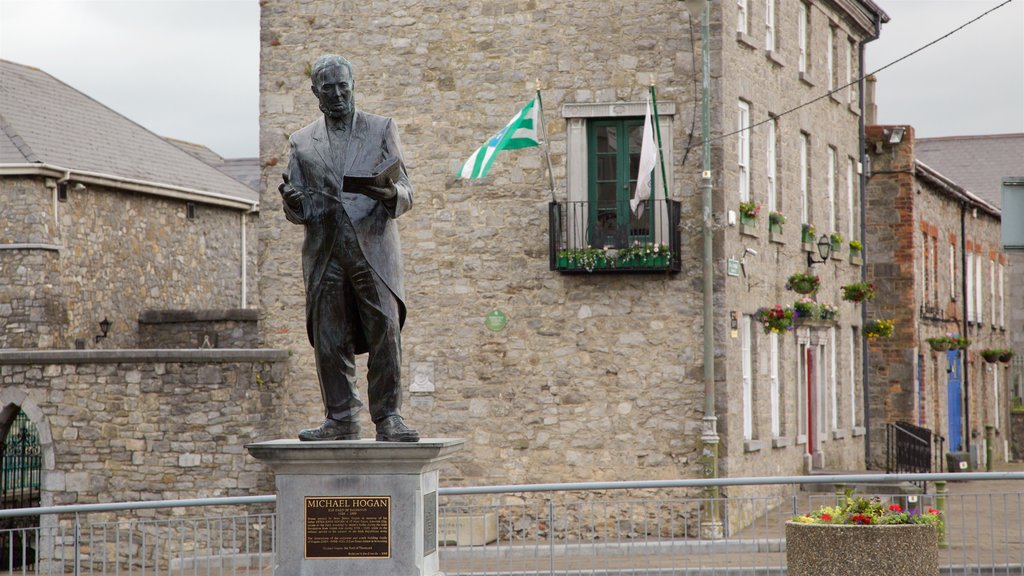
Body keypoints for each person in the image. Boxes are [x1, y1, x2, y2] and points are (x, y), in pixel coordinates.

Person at [278, 54, 419, 442]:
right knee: (329, 338)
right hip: (326, 251)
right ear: (315, 94)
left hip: (372, 249)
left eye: (344, 86)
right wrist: (292, 202)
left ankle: (388, 416)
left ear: (353, 85)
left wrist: (390, 191)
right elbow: (300, 208)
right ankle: (340, 419)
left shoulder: (380, 129)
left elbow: (406, 191)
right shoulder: (302, 142)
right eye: (329, 89)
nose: (338, 94)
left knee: (386, 331)